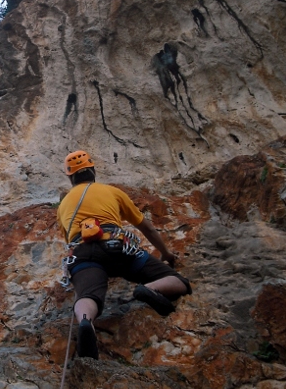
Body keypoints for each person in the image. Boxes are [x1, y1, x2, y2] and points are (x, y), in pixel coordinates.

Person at [57, 150, 191, 359]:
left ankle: (85, 321)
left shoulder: (63, 205)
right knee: (178, 281)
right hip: (117, 248)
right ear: (92, 170)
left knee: (87, 295)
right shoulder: (111, 191)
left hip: (83, 254)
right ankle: (149, 289)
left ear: (70, 177)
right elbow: (147, 228)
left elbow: (68, 240)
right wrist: (166, 253)